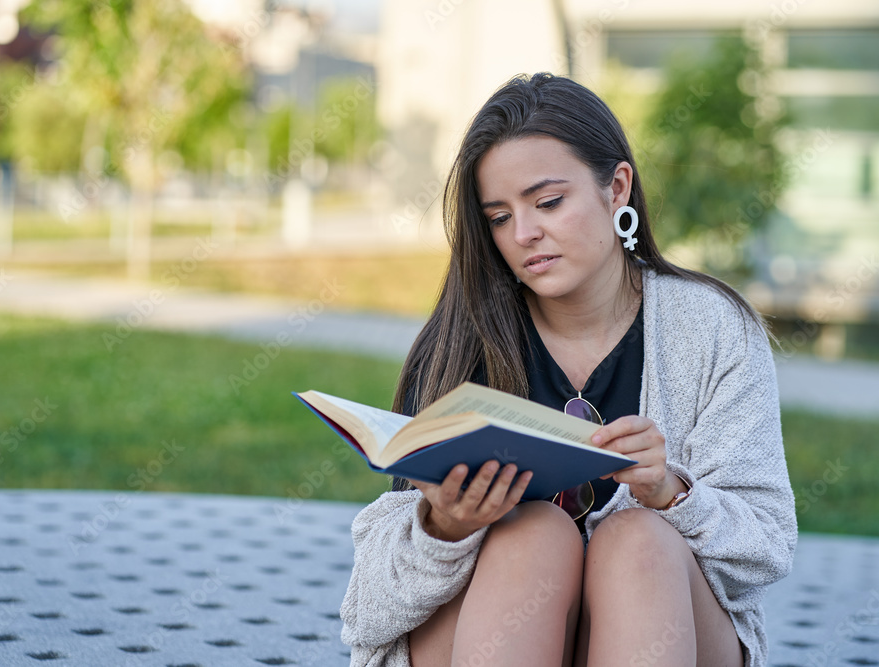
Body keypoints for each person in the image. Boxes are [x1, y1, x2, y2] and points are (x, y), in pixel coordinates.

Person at [338, 73, 797, 667]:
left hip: (661, 623)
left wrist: (670, 495)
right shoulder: (465, 337)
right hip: (495, 629)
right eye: (499, 217)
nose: (525, 234)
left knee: (636, 540)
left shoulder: (713, 327)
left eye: (548, 202)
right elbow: (365, 613)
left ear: (617, 189)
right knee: (532, 535)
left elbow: (767, 547)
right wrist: (444, 528)